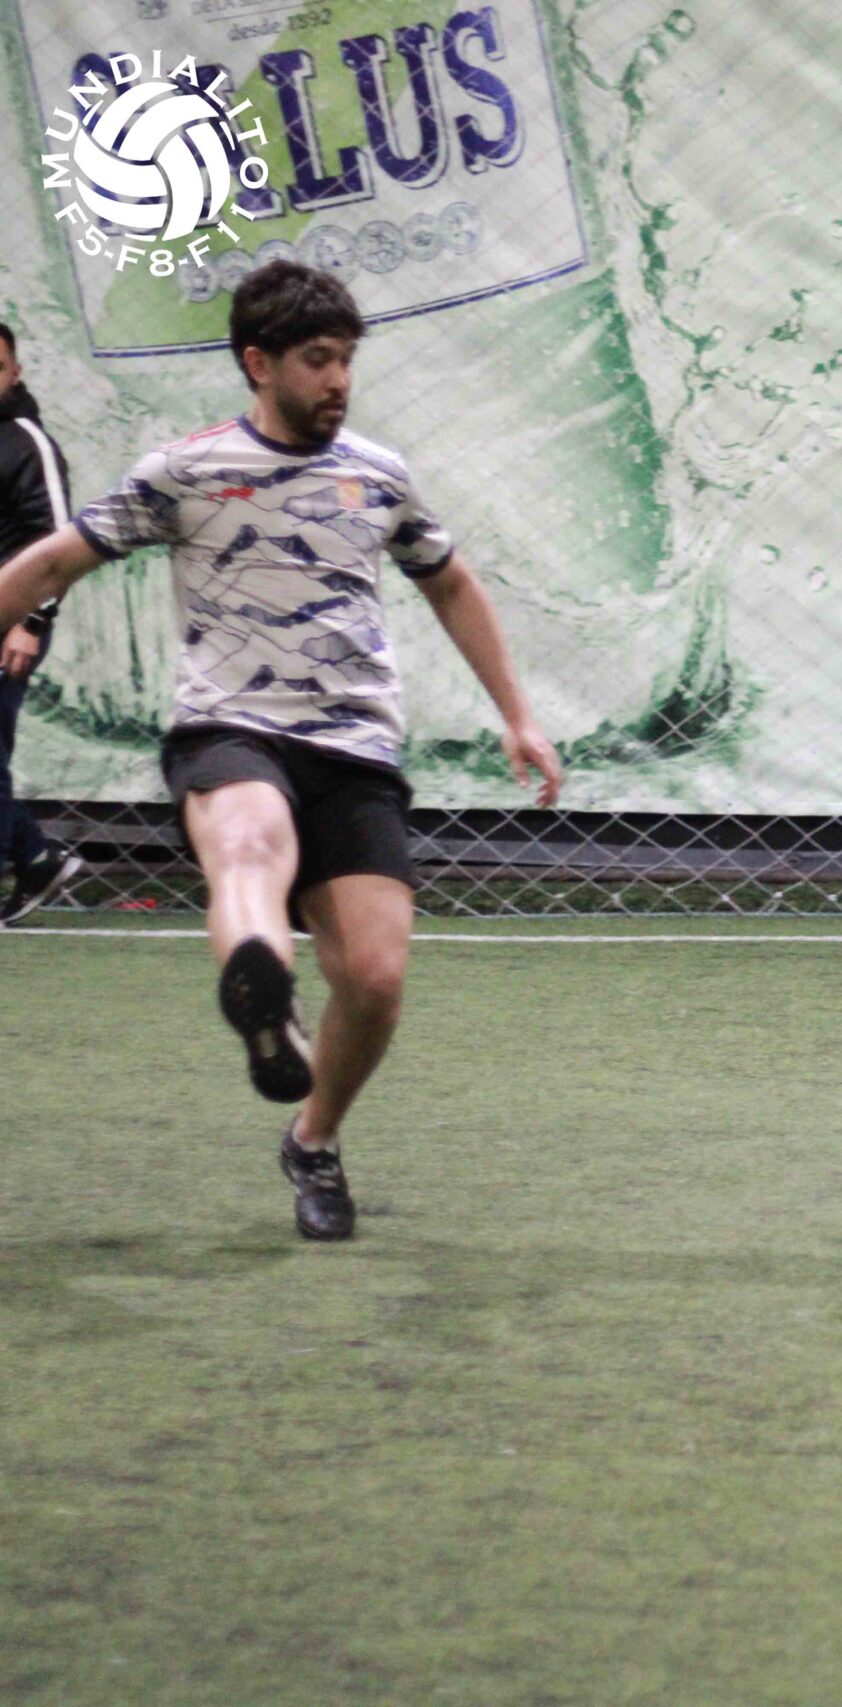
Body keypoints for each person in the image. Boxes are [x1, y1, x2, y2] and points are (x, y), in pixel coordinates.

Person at [0, 261, 563, 1241]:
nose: (338, 379)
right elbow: (53, 560)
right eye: (317, 360)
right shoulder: (185, 470)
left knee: (376, 980)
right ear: (258, 363)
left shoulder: (378, 475)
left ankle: (313, 1138)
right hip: (231, 727)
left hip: (353, 746)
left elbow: (451, 583)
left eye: (346, 359)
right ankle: (264, 992)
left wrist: (518, 714)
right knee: (250, 841)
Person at [0, 322, 85, 925]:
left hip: (10, 623)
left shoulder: (27, 441)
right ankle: (34, 859)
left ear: (14, 373)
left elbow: (59, 542)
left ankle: (34, 859)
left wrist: (29, 622)